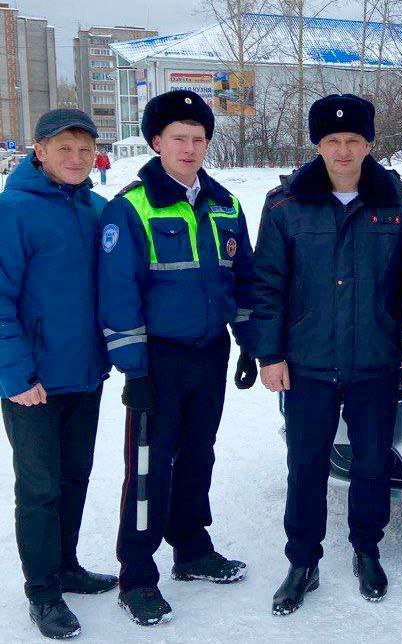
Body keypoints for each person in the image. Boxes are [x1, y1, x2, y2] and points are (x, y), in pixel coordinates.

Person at [250, 94, 402, 614]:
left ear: (369, 144)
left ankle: (367, 549)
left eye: (353, 140)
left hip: (376, 361)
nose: (343, 151)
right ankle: (302, 560)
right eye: (332, 140)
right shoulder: (285, 205)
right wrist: (269, 355)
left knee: (371, 462)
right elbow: (267, 285)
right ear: (318, 144)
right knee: (305, 464)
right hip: (308, 362)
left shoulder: (401, 204)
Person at [98, 90, 258, 626]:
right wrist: (135, 370)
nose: (190, 149)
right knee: (148, 465)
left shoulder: (225, 205)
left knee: (198, 455)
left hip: (210, 354)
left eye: (198, 139)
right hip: (159, 360)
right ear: (156, 142)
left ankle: (190, 547)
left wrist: (249, 343)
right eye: (178, 138)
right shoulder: (131, 208)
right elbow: (118, 293)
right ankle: (137, 574)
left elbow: (243, 280)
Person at [0, 109, 116, 639]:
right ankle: (43, 592)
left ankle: (66, 566)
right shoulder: (13, 211)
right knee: (40, 488)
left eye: (85, 149)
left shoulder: (97, 209)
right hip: (33, 384)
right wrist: (16, 376)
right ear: (39, 151)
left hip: (84, 375)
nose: (76, 158)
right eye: (64, 148)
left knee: (75, 476)